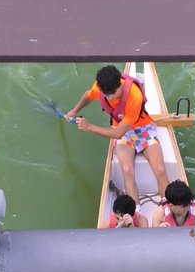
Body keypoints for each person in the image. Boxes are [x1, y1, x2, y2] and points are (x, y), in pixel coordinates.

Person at [64, 65, 169, 205]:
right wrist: (74, 110)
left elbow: (118, 133)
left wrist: (89, 127)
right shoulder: (102, 87)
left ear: (120, 84)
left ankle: (168, 208)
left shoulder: (134, 96)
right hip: (119, 126)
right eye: (105, 94)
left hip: (141, 127)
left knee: (161, 170)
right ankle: (135, 213)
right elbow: (88, 95)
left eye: (112, 93)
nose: (109, 97)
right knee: (126, 170)